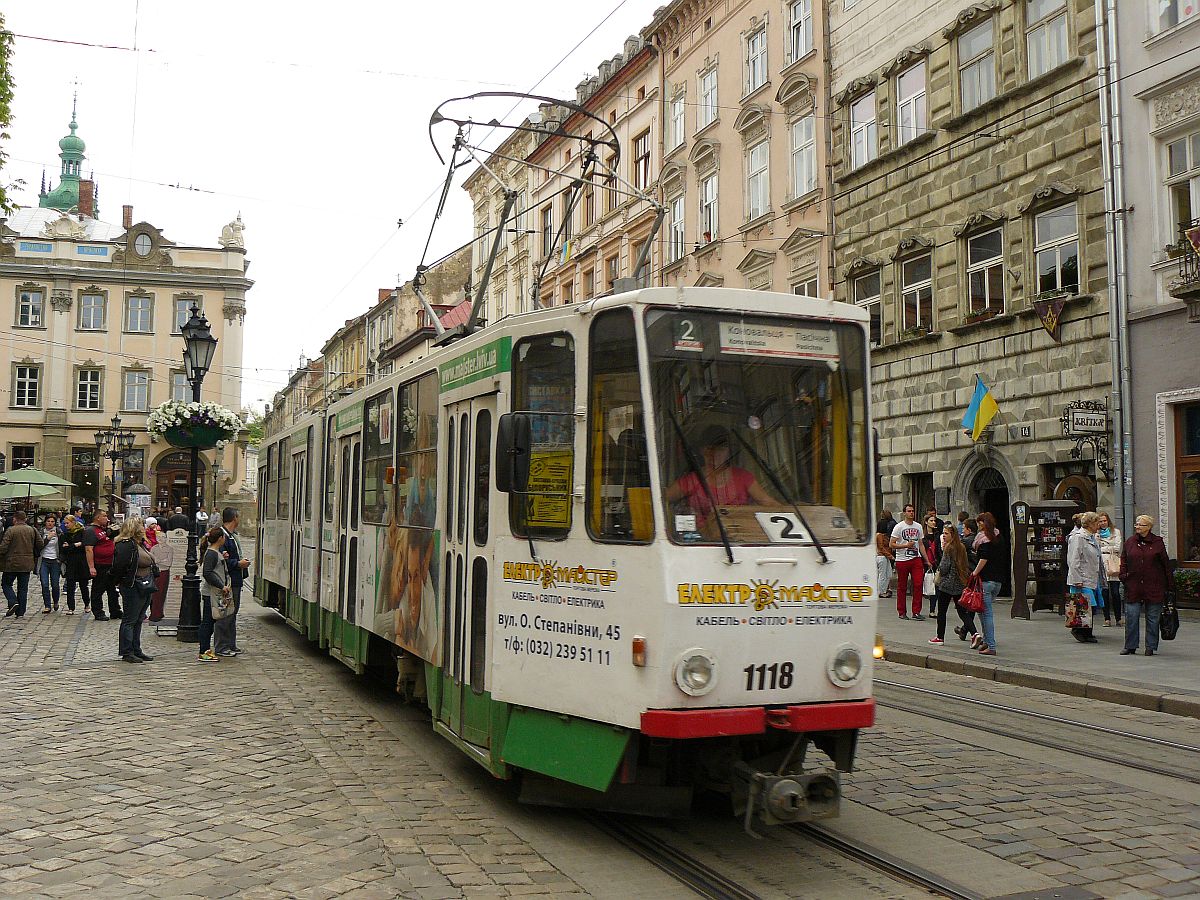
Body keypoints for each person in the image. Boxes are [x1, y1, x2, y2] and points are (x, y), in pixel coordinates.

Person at [665, 426, 777, 529]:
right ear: (702, 450)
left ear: (729, 451)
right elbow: (662, 500)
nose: (714, 454)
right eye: (710, 449)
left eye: (721, 449)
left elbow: (769, 504)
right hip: (701, 544)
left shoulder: (743, 477)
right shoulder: (690, 481)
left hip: (741, 540)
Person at [1119, 515, 1170, 656]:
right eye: (1136, 524)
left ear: (1148, 527)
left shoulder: (1157, 542)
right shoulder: (1130, 542)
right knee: (1132, 617)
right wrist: (1124, 576)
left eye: (1140, 525)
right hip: (1133, 585)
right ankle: (1130, 646)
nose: (1137, 527)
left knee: (1153, 618)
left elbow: (1165, 564)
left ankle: (1150, 646)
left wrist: (1169, 586)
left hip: (1154, 586)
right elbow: (1124, 560)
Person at [112, 517, 156, 664]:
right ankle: (127, 651)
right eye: (141, 525)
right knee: (130, 620)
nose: (144, 528)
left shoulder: (140, 543)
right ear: (134, 528)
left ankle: (136, 649)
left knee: (138, 619)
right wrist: (121, 582)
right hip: (133, 585)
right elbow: (119, 566)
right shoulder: (126, 545)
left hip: (144, 584)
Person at [968, 511, 1008, 654]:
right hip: (998, 581)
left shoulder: (984, 539)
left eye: (980, 523)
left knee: (986, 613)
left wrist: (974, 572)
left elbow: (983, 558)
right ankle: (986, 641)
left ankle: (991, 645)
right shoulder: (999, 537)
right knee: (981, 610)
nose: (978, 526)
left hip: (986, 581)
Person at [1066, 511, 1105, 644]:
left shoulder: (1093, 537)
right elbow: (1073, 559)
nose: (1099, 525)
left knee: (1089, 606)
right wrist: (1076, 579)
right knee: (1084, 605)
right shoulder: (1078, 537)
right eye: (1097, 523)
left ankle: (1087, 632)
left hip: (1091, 576)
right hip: (1082, 577)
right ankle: (1079, 631)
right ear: (1090, 524)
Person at [217, 507, 249, 657]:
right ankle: (221, 646)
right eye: (238, 516)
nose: (239, 519)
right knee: (226, 614)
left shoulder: (231, 535)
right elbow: (222, 561)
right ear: (234, 518)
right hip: (228, 581)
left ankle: (230, 644)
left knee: (233, 613)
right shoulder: (222, 536)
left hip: (235, 580)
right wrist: (238, 564)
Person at [0, 511, 44, 619]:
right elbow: (40, 544)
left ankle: (12, 601)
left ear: (15, 519)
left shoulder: (11, 530)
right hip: (27, 563)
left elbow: (3, 547)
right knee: (23, 588)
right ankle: (20, 611)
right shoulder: (32, 530)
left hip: (11, 563)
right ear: (25, 519)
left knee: (6, 584)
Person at [890, 505, 929, 620]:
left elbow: (921, 544)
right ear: (904, 513)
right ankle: (901, 611)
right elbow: (891, 544)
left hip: (916, 558)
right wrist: (905, 545)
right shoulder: (899, 527)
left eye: (912, 511)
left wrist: (926, 559)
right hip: (902, 559)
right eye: (909, 511)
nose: (911, 513)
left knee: (918, 583)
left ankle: (916, 611)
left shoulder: (918, 526)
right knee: (902, 586)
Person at [933, 524, 969, 644]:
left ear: (952, 535)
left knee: (942, 611)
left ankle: (940, 637)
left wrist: (939, 568)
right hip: (959, 584)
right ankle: (975, 634)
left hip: (947, 585)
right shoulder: (961, 547)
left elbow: (944, 568)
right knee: (962, 612)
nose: (943, 536)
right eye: (943, 533)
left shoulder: (949, 548)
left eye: (946, 533)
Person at [199, 527, 229, 662]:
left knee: (210, 621)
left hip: (214, 593)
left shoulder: (215, 552)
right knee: (207, 622)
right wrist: (221, 586)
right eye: (223, 536)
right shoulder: (211, 553)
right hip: (210, 593)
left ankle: (205, 650)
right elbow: (208, 573)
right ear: (220, 538)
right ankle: (203, 651)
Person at [86, 511, 123, 620]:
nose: (107, 518)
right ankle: (98, 612)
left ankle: (115, 611)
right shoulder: (90, 531)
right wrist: (91, 567)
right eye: (104, 516)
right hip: (100, 564)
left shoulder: (104, 529)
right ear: (97, 518)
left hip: (110, 564)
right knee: (98, 589)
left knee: (112, 589)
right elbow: (89, 549)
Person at [1096, 512, 1123, 627]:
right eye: (1100, 521)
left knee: (1116, 593)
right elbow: (1096, 547)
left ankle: (1118, 618)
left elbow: (1118, 547)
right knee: (1104, 592)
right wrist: (1107, 548)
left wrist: (1104, 547)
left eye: (1104, 521)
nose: (1102, 523)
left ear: (1108, 521)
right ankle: (1107, 618)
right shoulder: (1096, 534)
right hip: (1102, 563)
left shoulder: (1115, 532)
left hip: (1113, 561)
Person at [60, 515, 90, 615]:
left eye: (67, 523)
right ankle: (71, 607)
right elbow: (64, 549)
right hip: (71, 563)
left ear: (73, 522)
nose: (66, 525)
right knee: (70, 586)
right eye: (65, 523)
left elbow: (84, 546)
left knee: (83, 586)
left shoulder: (82, 532)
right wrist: (75, 545)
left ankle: (87, 605)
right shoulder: (65, 534)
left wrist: (72, 546)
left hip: (81, 562)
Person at [148, 520, 174, 622]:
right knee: (155, 594)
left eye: (163, 537)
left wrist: (159, 560)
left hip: (164, 572)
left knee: (162, 593)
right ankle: (154, 613)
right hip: (156, 572)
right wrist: (160, 561)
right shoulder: (154, 548)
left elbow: (168, 562)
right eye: (159, 537)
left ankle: (160, 613)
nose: (161, 539)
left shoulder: (170, 549)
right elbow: (153, 560)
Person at [37, 513, 63, 613]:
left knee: (55, 584)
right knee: (44, 584)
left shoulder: (59, 532)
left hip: (55, 560)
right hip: (44, 560)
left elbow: (62, 546)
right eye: (48, 521)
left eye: (52, 522)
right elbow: (39, 546)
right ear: (45, 522)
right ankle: (47, 605)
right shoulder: (41, 532)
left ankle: (55, 601)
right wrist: (47, 538)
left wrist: (60, 559)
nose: (50, 523)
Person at [875, 530, 895, 600]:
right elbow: (881, 547)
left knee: (887, 574)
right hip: (882, 556)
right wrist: (890, 555)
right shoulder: (880, 535)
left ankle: (883, 590)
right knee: (883, 575)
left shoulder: (878, 535)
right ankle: (881, 592)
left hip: (884, 556)